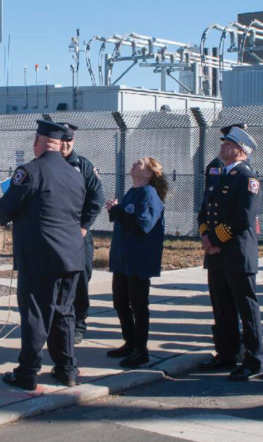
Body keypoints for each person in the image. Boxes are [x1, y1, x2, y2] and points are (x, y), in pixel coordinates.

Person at [0, 120, 86, 391]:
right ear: (59, 144)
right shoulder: (75, 174)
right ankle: (66, 369)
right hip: (71, 256)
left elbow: (4, 211)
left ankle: (27, 371)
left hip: (39, 256)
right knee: (64, 313)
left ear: (37, 142)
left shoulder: (30, 172)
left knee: (35, 313)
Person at [198, 127, 263, 381]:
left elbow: (243, 219)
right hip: (216, 254)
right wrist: (205, 237)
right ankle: (226, 353)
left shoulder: (247, 178)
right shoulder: (219, 174)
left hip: (237, 254)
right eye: (223, 143)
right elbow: (205, 211)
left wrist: (214, 240)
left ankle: (254, 359)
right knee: (221, 307)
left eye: (228, 144)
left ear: (241, 151)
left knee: (246, 308)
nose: (222, 146)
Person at [105, 157, 167, 369]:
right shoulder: (132, 191)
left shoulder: (149, 194)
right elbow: (126, 218)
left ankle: (141, 350)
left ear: (148, 173)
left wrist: (118, 212)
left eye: (139, 163)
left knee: (138, 306)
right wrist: (115, 210)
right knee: (120, 302)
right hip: (123, 258)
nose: (133, 164)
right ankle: (130, 343)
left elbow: (143, 225)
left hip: (139, 260)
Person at [59, 122, 105, 344]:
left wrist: (84, 226)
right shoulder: (44, 164)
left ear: (73, 140)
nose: (65, 143)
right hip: (54, 235)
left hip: (78, 233)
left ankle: (78, 324)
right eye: (61, 139)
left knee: (80, 280)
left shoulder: (83, 166)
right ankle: (57, 322)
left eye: (69, 139)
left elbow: (97, 198)